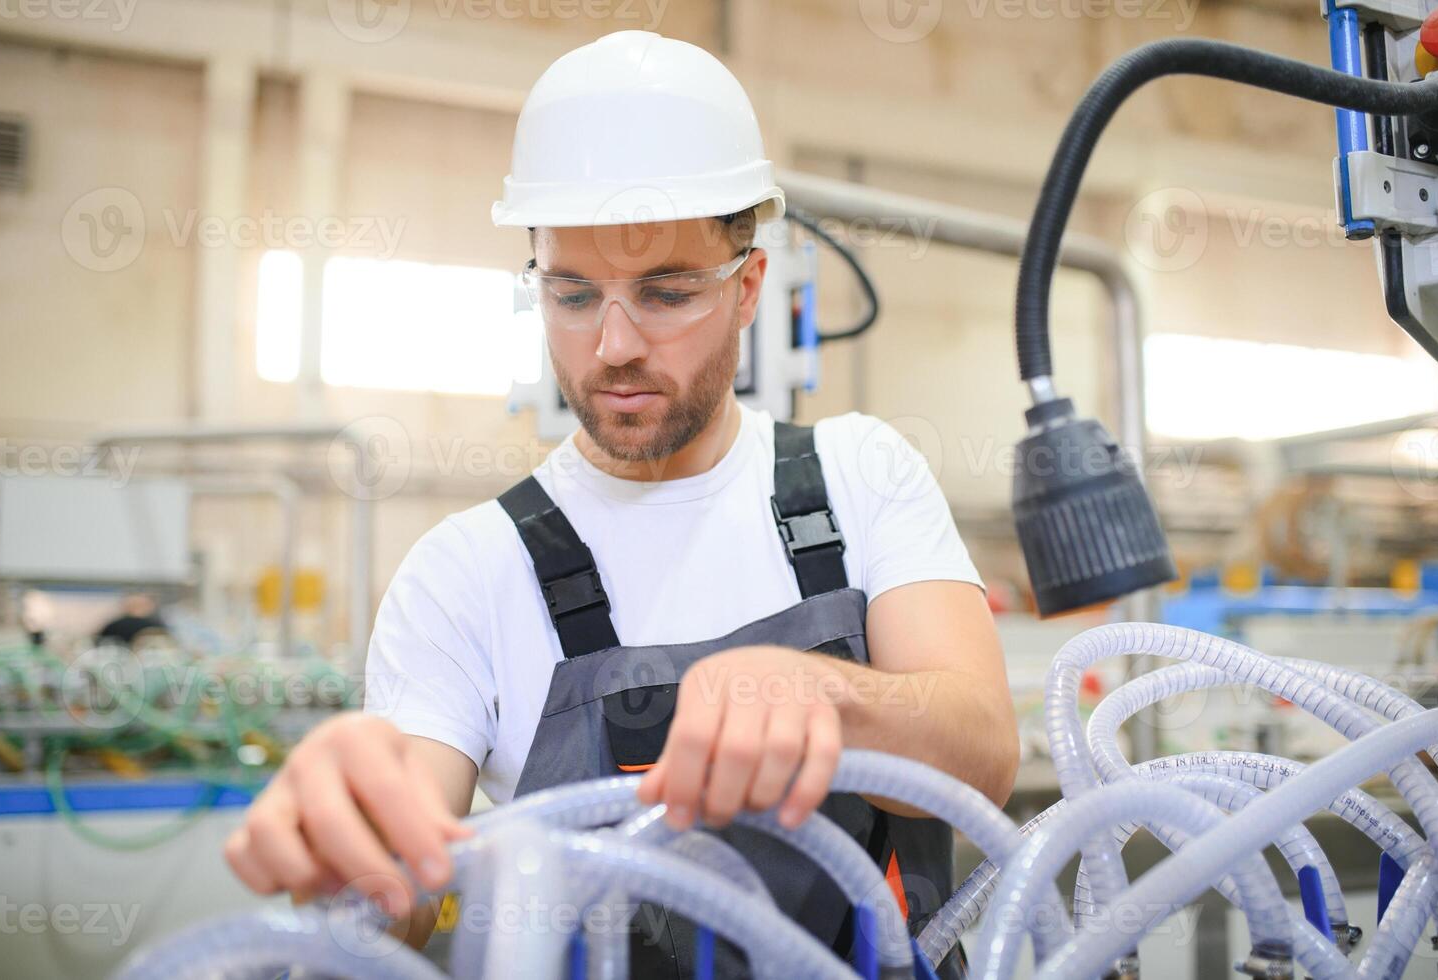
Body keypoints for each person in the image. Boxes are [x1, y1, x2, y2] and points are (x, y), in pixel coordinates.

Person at [224, 30, 1018, 978]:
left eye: (665, 292)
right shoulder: (468, 569)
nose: (611, 346)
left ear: (747, 288)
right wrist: (342, 844)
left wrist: (824, 696)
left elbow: (981, 758)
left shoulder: (860, 476)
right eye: (571, 295)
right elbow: (397, 898)